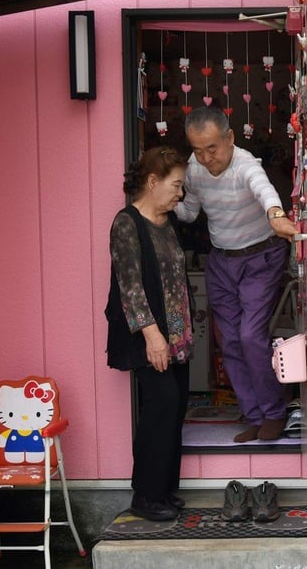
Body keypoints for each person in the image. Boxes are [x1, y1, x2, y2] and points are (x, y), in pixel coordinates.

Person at [176, 107, 296, 443]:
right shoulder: (194, 169)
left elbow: (264, 191)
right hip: (221, 261)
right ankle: (253, 414)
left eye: (212, 148)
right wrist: (164, 198)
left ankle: (273, 412)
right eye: (198, 150)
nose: (206, 157)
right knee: (227, 340)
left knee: (249, 337)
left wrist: (276, 214)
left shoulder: (246, 165)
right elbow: (190, 212)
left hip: (261, 257)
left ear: (229, 138)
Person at [106, 147, 193, 521]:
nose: (180, 194)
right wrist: (153, 337)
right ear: (153, 181)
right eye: (176, 185)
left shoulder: (167, 222)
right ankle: (144, 495)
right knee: (161, 406)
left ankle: (163, 491)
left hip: (177, 336)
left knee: (174, 409)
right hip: (150, 337)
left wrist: (181, 335)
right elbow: (131, 287)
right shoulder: (127, 223)